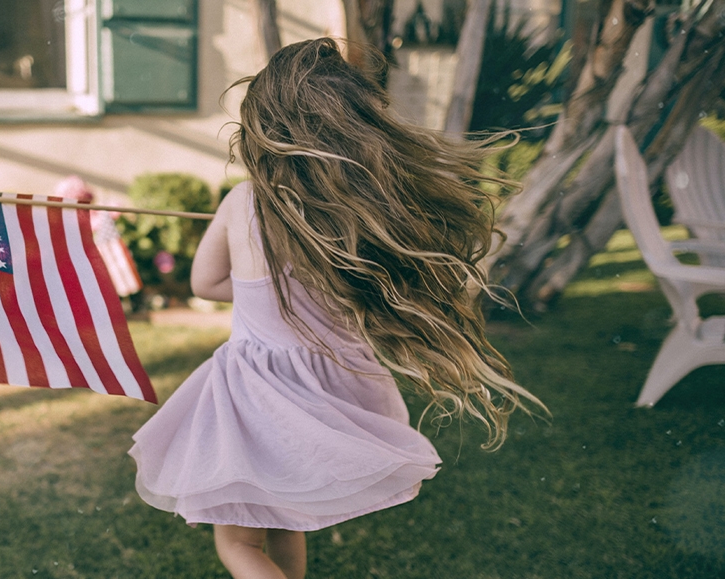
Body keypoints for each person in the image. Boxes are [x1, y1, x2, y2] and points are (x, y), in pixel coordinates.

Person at [128, 38, 545, 579]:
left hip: (258, 392)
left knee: (239, 543)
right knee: (285, 522)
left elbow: (205, 283)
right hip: (336, 389)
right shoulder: (355, 212)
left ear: (263, 129)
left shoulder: (244, 201)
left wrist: (255, 287)